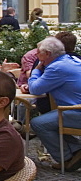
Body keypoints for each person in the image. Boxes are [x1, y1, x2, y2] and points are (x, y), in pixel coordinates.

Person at [27, 37, 81, 171]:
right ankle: (76, 151)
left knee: (39, 123)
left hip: (76, 111)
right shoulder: (71, 60)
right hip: (73, 109)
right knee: (49, 120)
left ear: (48, 54)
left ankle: (67, 159)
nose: (36, 55)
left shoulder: (57, 68)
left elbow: (35, 89)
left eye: (39, 52)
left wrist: (37, 70)